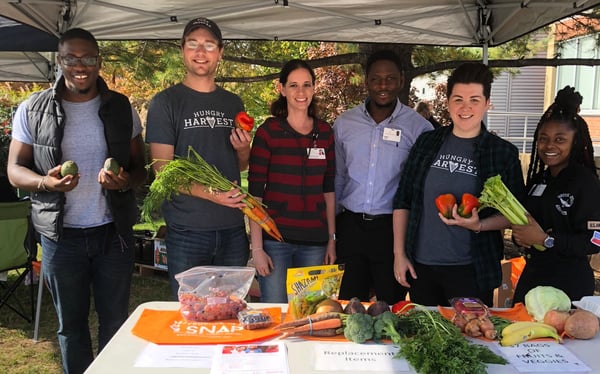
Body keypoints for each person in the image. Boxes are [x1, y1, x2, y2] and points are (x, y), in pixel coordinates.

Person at [7, 28, 146, 373]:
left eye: (88, 58)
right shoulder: (33, 108)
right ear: (60, 60)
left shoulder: (121, 108)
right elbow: (14, 169)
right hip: (61, 237)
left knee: (116, 323)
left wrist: (124, 181)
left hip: (113, 234)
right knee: (71, 328)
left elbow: (141, 170)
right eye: (71, 57)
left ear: (99, 62)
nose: (79, 65)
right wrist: (45, 182)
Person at [392, 62, 525, 307]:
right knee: (426, 338)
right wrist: (399, 255)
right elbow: (403, 200)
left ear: (487, 103)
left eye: (474, 100)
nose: (466, 107)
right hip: (422, 267)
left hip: (472, 270)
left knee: (470, 339)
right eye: (458, 99)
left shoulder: (502, 152)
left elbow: (516, 214)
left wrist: (479, 225)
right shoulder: (427, 142)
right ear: (448, 102)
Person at [145, 17, 252, 299]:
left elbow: (240, 164)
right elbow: (162, 171)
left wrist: (243, 149)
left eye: (208, 45)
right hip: (187, 232)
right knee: (193, 315)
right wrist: (211, 194)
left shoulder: (233, 103)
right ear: (183, 50)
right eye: (193, 44)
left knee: (230, 311)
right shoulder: (165, 102)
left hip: (232, 229)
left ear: (220, 52)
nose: (200, 52)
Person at [334, 50, 433, 304]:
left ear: (401, 80)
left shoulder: (419, 128)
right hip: (351, 229)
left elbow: (422, 185)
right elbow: (338, 175)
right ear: (366, 81)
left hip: (392, 233)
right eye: (376, 79)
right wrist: (332, 232)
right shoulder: (345, 123)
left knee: (390, 307)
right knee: (348, 307)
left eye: (390, 78)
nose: (383, 86)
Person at [248, 59, 336, 303]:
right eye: (294, 85)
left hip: (315, 245)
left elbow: (328, 191)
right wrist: (257, 249)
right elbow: (254, 195)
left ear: (314, 89)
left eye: (307, 85)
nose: (301, 92)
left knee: (310, 318)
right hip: (275, 244)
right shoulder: (269, 132)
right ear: (282, 89)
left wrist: (331, 240)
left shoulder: (325, 132)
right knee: (276, 314)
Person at [511, 86, 600, 304]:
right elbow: (527, 223)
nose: (549, 145)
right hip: (533, 279)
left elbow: (596, 240)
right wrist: (520, 237)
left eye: (560, 139)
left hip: (570, 284)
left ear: (575, 142)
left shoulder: (585, 182)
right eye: (543, 138)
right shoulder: (538, 179)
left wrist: (547, 240)